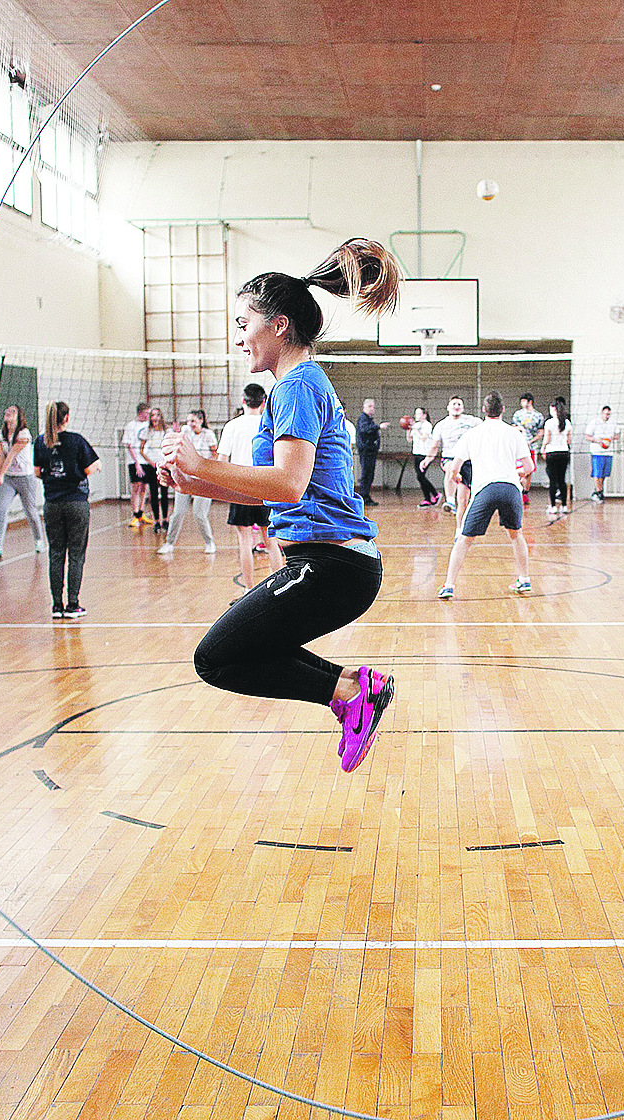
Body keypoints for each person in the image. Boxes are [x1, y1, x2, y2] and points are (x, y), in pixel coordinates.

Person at [157, 238, 401, 774]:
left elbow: (288, 484)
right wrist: (194, 483)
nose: (239, 336)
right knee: (229, 655)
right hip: (326, 564)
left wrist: (202, 465)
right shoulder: (293, 387)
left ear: (280, 325)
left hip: (332, 565)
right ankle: (351, 692)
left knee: (216, 658)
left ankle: (351, 693)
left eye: (244, 323)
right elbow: (272, 489)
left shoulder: (296, 386)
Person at [439, 392, 536, 599]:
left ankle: (448, 585)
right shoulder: (514, 433)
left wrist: (456, 477)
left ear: (484, 410)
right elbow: (529, 467)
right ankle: (525, 580)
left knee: (464, 539)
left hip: (485, 489)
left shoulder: (473, 434)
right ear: (503, 409)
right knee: (516, 535)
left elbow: (453, 467)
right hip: (511, 489)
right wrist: (516, 472)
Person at [34, 401, 100, 619]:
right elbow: (90, 467)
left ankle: (56, 606)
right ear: (67, 417)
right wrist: (95, 467)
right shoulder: (76, 441)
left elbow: (37, 472)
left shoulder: (41, 442)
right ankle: (73, 604)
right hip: (76, 503)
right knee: (76, 554)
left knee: (56, 553)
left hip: (52, 504)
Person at [220, 383, 273, 602]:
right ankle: (278, 591)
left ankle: (248, 591)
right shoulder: (269, 424)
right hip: (266, 486)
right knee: (271, 540)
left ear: (243, 401)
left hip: (240, 488)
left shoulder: (232, 426)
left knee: (245, 540)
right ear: (263, 403)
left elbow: (221, 461)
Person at [0, 404, 45, 559]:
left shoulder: (24, 434)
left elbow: (11, 456)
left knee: (30, 511)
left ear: (19, 416)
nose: (8, 413)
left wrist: (1, 474)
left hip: (26, 477)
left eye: (12, 411)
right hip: (9, 478)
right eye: (6, 411)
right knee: (1, 510)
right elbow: (2, 457)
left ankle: (39, 539)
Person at [160, 410, 218, 555]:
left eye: (192, 421)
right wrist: (175, 433)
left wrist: (205, 470)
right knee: (178, 513)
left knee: (199, 514)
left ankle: (209, 543)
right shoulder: (185, 431)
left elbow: (215, 455)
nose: (190, 424)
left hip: (203, 478)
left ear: (201, 420)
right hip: (185, 477)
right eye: (188, 421)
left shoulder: (208, 435)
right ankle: (169, 543)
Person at [431, 395, 480, 515]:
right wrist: (427, 459)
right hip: (449, 457)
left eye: (459, 404)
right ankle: (450, 501)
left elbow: (489, 427)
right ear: (448, 408)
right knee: (451, 468)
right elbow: (434, 445)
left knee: (463, 501)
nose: (456, 406)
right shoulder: (441, 425)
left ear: (463, 408)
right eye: (454, 404)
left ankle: (460, 530)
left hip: (467, 460)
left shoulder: (472, 421)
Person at [138, 407, 171, 534]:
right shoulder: (146, 431)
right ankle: (156, 521)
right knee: (153, 494)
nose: (155, 418)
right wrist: (151, 462)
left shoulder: (166, 431)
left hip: (164, 465)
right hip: (151, 466)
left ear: (160, 417)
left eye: (157, 415)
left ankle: (165, 520)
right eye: (152, 415)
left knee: (164, 494)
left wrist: (166, 462)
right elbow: (141, 450)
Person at [512, 392, 545, 505]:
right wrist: (518, 429)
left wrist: (531, 441)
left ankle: (525, 493)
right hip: (518, 448)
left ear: (529, 402)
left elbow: (541, 432)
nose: (521, 403)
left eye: (523, 401)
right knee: (518, 470)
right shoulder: (518, 414)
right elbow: (513, 427)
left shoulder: (538, 416)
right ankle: (518, 492)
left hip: (532, 448)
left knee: (529, 471)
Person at [355, 398, 389, 505]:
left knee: (370, 474)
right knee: (366, 474)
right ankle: (364, 497)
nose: (372, 409)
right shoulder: (363, 419)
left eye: (373, 407)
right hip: (366, 451)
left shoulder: (369, 419)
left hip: (371, 451)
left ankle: (366, 496)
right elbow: (365, 430)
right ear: (364, 407)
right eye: (370, 406)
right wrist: (379, 427)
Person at [542, 396, 572, 516]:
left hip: (552, 453)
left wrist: (543, 448)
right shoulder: (567, 422)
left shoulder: (549, 422)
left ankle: (553, 506)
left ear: (553, 409)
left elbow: (547, 438)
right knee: (562, 480)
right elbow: (569, 440)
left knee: (552, 480)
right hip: (564, 452)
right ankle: (564, 506)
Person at [407, 405, 440, 507]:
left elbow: (424, 438)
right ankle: (427, 499)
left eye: (418, 413)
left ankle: (435, 494)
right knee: (420, 477)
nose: (416, 415)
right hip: (416, 453)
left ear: (424, 415)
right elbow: (410, 439)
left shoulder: (427, 425)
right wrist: (408, 430)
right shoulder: (416, 425)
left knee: (420, 476)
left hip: (425, 455)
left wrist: (415, 429)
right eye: (415, 413)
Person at [122, 401, 149, 525]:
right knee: (136, 486)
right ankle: (135, 514)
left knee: (144, 487)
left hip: (147, 460)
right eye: (146, 413)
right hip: (135, 460)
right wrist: (137, 462)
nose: (148, 416)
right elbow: (129, 445)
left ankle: (141, 514)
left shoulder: (150, 425)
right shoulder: (130, 426)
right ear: (140, 413)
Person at [585, 404, 618, 501]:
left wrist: (610, 439)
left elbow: (617, 435)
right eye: (605, 414)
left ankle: (598, 491)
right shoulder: (594, 423)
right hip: (597, 452)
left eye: (609, 414)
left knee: (604, 474)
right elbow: (587, 437)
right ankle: (599, 492)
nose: (607, 416)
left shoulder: (613, 423)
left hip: (608, 452)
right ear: (601, 413)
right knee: (597, 473)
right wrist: (598, 440)